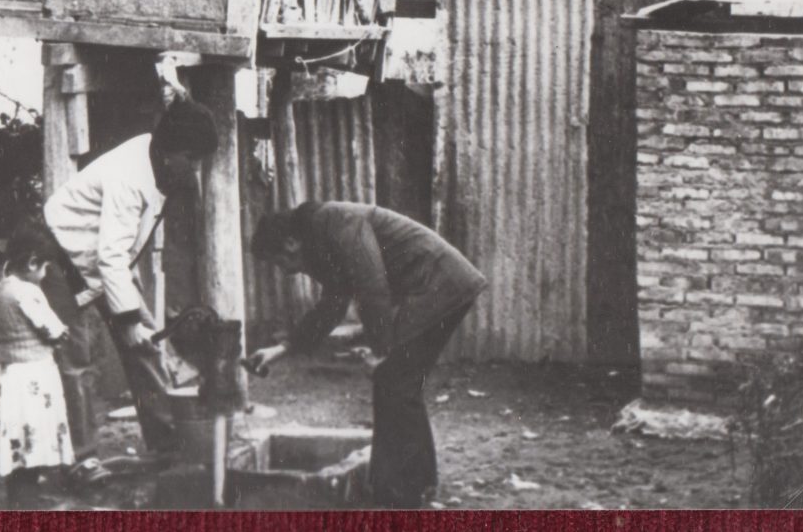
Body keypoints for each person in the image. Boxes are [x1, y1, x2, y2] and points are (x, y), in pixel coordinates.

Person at [248, 201, 487, 509]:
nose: (286, 271)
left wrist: (380, 350)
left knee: (394, 381)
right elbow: (333, 304)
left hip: (438, 284)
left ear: (291, 243)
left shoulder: (336, 222)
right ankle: (416, 483)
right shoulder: (321, 240)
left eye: (279, 261)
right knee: (400, 383)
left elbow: (372, 285)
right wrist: (283, 348)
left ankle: (403, 494)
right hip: (442, 285)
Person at [42, 96, 218, 473]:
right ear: (174, 152)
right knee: (75, 360)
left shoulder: (158, 163)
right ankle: (82, 460)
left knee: (147, 346)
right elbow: (111, 253)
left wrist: (134, 318)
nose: (196, 167)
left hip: (102, 261)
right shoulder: (129, 175)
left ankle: (169, 443)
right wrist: (127, 319)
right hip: (56, 256)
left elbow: (122, 248)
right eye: (193, 158)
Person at [0, 222, 74, 509]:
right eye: (44, 267)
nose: (44, 275)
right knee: (31, 441)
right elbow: (54, 330)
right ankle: (27, 505)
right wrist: (62, 331)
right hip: (32, 377)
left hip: (7, 374)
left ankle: (17, 500)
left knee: (15, 441)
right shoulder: (28, 292)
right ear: (32, 262)